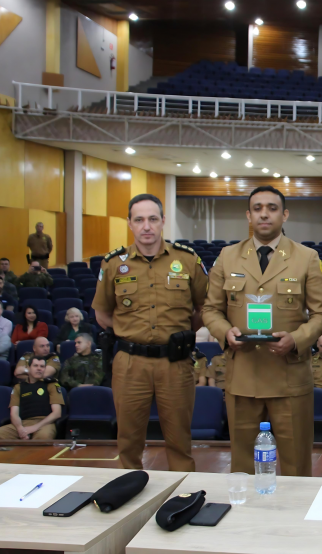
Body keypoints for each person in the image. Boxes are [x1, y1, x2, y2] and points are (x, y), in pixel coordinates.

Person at [202, 185, 322, 477]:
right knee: (243, 466)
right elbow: (210, 309)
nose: (264, 214)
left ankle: (294, 509)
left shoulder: (306, 257)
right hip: (243, 376)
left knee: (296, 465)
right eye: (257, 208)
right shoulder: (227, 256)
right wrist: (225, 333)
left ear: (284, 215)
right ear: (248, 215)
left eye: (272, 208)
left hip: (288, 377)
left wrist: (296, 339)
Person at [93, 193, 208, 472]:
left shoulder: (188, 260)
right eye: (139, 219)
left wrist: (180, 334)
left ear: (163, 221)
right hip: (131, 363)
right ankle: (130, 487)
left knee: (179, 439)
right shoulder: (113, 263)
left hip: (175, 362)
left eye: (153, 219)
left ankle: (183, 492)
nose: (147, 226)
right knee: (129, 439)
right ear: (130, 223)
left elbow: (203, 307)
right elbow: (102, 313)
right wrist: (130, 332)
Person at [0, 357, 63, 440]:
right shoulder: (18, 387)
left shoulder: (52, 385)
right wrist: (20, 429)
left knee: (43, 437)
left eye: (42, 366)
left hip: (45, 423)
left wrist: (34, 427)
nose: (39, 368)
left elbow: (57, 413)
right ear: (28, 368)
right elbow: (14, 413)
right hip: (22, 423)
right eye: (35, 366)